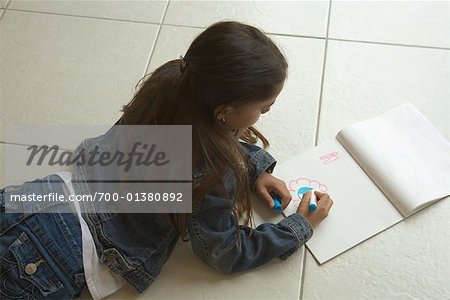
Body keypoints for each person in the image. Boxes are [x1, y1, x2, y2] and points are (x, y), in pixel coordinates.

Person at [0, 21, 333, 299]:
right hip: (54, 259)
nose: (267, 112)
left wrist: (253, 167)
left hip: (35, 201)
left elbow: (201, 135)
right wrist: (298, 227)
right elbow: (226, 252)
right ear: (224, 111)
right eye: (263, 107)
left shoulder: (171, 81)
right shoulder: (213, 177)